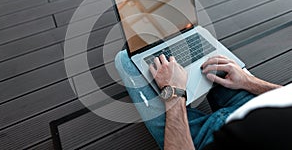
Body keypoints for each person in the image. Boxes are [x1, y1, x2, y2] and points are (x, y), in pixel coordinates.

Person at [115, 50, 292, 150]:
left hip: (200, 141)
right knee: (205, 53)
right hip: (257, 103)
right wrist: (250, 82)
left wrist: (174, 94)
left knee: (125, 59)